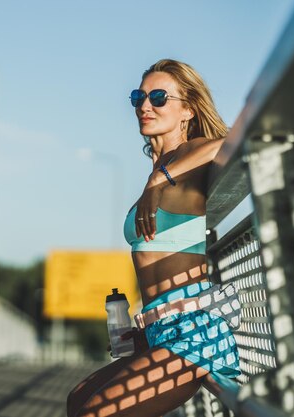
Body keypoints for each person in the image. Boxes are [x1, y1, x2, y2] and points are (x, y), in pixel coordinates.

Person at [66, 59, 241, 417]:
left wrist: (160, 177)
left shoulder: (189, 155)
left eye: (159, 97)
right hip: (160, 328)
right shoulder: (165, 168)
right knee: (77, 400)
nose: (145, 106)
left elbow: (236, 141)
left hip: (195, 333)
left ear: (187, 109)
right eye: (139, 97)